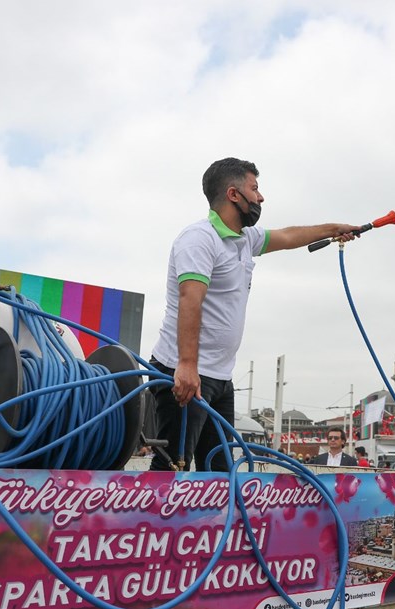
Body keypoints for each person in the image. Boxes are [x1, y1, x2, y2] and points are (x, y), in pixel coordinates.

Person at [149, 158, 360, 472]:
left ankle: (216, 522)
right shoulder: (198, 239)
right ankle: (155, 522)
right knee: (173, 466)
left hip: (219, 377)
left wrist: (334, 230)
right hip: (185, 373)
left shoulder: (246, 239)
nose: (261, 197)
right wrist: (188, 365)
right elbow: (189, 300)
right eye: (255, 188)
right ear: (234, 194)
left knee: (220, 469)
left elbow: (288, 237)